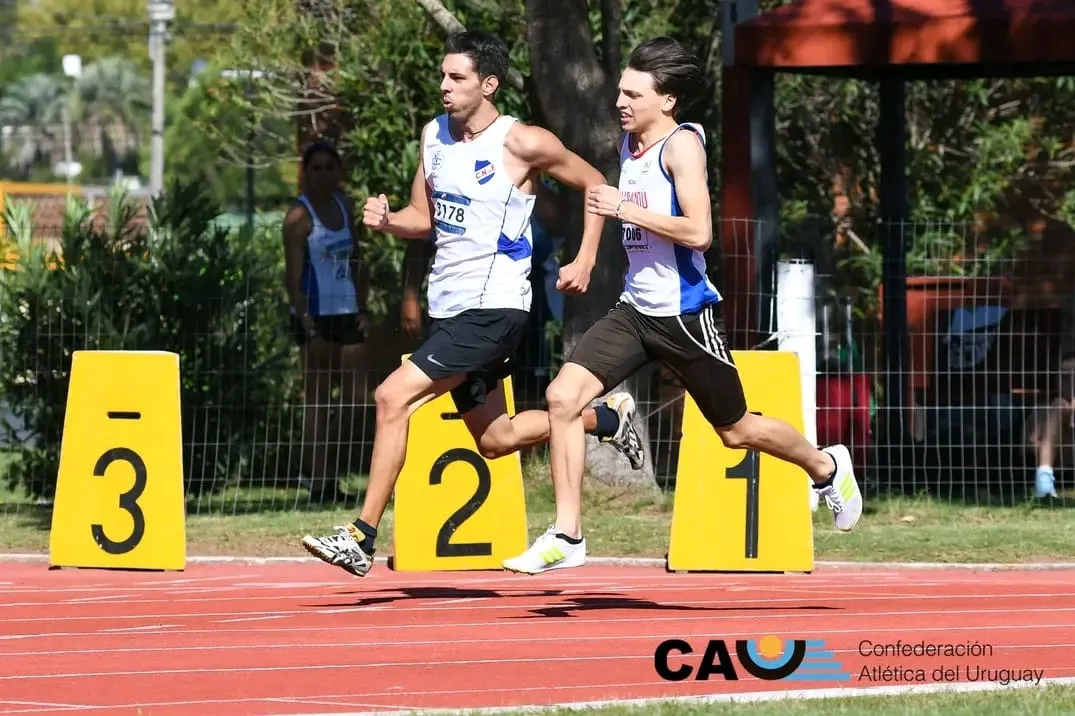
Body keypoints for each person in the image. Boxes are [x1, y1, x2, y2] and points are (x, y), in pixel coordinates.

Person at [502, 37, 864, 575]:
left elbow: (699, 233)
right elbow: (603, 199)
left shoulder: (682, 146)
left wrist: (627, 209)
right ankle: (568, 534)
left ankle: (825, 466)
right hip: (634, 312)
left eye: (633, 94)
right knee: (561, 397)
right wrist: (586, 258)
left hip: (685, 317)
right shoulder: (629, 144)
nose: (620, 102)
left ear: (667, 100)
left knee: (736, 430)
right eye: (620, 91)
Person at [301, 30, 644, 577]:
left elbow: (596, 183)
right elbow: (423, 219)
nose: (444, 86)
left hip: (496, 308)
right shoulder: (433, 136)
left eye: (456, 77)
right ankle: (604, 419)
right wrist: (389, 222)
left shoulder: (522, 141)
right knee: (495, 439)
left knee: (392, 397)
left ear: (488, 85)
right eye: (442, 75)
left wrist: (582, 259)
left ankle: (361, 536)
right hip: (450, 307)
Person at [282, 141, 370, 504]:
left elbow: (357, 258)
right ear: (305, 174)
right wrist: (308, 327)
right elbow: (292, 278)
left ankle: (329, 469)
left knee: (357, 399)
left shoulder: (344, 206)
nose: (322, 174)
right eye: (315, 168)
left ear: (339, 172)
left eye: (329, 167)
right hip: (314, 316)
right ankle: (320, 482)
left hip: (347, 312)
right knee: (317, 401)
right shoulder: (298, 217)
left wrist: (363, 306)